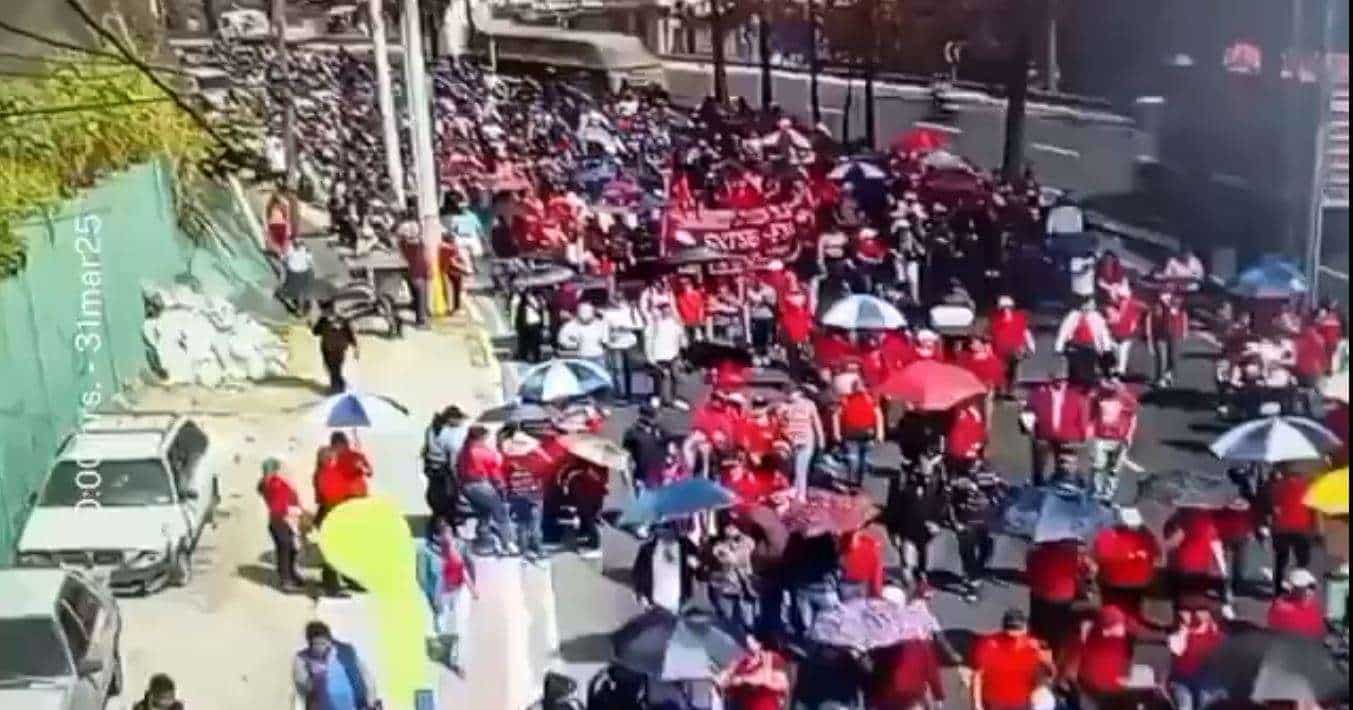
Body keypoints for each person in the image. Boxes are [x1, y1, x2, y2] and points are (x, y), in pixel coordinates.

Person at [415, 515, 478, 674]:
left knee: (460, 624)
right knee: (442, 627)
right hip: (440, 594)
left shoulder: (461, 546)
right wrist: (431, 598)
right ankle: (446, 652)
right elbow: (422, 578)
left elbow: (470, 565)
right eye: (442, 533)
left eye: (448, 531)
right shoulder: (425, 551)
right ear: (435, 536)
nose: (447, 536)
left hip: (459, 591)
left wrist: (471, 587)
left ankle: (457, 660)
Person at [1090, 507, 1160, 631]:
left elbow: (1095, 556)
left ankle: (1119, 625)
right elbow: (1157, 556)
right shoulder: (1143, 536)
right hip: (1136, 581)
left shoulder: (1108, 535)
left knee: (1113, 608)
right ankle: (1126, 624)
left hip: (1115, 581)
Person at [970, 609, 1055, 710]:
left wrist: (1041, 687)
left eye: (1018, 630)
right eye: (1011, 631)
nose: (1015, 637)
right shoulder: (988, 645)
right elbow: (978, 676)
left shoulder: (1036, 646)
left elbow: (1048, 674)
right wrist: (977, 705)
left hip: (1023, 702)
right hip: (995, 702)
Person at [1021, 374, 1091, 486]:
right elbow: (1027, 413)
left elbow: (1083, 416)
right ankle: (1039, 487)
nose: (1060, 383)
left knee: (1065, 470)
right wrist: (1028, 430)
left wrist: (1083, 435)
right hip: (1043, 435)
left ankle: (1063, 487)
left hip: (1068, 438)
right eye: (1057, 379)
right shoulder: (1038, 394)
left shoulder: (1076, 396)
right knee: (1038, 469)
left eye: (1062, 380)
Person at [292, 621, 379, 710]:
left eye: (323, 643)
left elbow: (365, 675)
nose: (320, 647)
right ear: (310, 643)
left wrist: (371, 700)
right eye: (316, 644)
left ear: (329, 641)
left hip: (356, 705)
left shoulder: (346, 651)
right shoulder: (302, 659)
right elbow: (302, 687)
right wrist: (318, 676)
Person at [457, 425, 517, 556]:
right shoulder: (484, 453)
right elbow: (495, 475)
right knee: (500, 512)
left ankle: (483, 538)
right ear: (481, 438)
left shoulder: (463, 451)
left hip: (466, 487)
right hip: (481, 486)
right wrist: (502, 488)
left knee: (485, 511)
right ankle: (508, 542)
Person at [948, 467, 1002, 603]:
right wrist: (955, 522)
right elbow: (951, 502)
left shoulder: (991, 482)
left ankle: (977, 572)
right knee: (967, 552)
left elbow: (999, 500)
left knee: (987, 549)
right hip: (967, 522)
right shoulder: (960, 484)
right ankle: (972, 583)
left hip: (985, 522)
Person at [1025, 538, 1086, 653]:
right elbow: (1081, 573)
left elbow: (1029, 572)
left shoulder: (1038, 554)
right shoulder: (1071, 556)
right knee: (1058, 628)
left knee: (1038, 627)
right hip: (1063, 597)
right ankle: (1055, 651)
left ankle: (1035, 651)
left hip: (1041, 594)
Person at [1087, 376, 1139, 501]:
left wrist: (1128, 437)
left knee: (1114, 470)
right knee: (1098, 467)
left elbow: (1133, 419)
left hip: (1119, 439)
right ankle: (1097, 492)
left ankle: (1108, 496)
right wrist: (1090, 436)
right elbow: (1091, 417)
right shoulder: (1098, 396)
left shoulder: (1126, 400)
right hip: (1101, 437)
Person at [1263, 468, 1317, 589]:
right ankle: (1299, 585)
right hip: (1302, 528)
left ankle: (1278, 589)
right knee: (1303, 560)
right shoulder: (1308, 486)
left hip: (1281, 528)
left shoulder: (1278, 487)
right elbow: (1313, 508)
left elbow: (1271, 506)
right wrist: (1314, 528)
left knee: (1281, 560)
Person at [257, 457, 305, 592]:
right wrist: (292, 510)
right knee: (286, 548)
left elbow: (291, 496)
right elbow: (279, 504)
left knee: (292, 548)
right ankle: (286, 579)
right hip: (280, 520)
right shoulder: (273, 485)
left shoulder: (276, 483)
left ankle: (291, 574)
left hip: (287, 519)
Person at [1166, 608, 1226, 710]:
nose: (1193, 616)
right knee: (1185, 706)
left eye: (1198, 611)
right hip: (1182, 678)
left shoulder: (1216, 633)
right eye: (1188, 612)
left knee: (1207, 703)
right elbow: (1177, 650)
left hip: (1206, 678)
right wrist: (1183, 632)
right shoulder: (1179, 632)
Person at [632, 524, 701, 612]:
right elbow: (638, 574)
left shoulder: (686, 545)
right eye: (662, 531)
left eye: (669, 530)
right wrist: (640, 594)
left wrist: (695, 563)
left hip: (678, 601)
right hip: (655, 602)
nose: (666, 534)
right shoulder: (647, 549)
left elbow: (699, 566)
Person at [706, 521, 758, 634]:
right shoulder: (719, 547)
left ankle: (748, 637)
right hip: (728, 586)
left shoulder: (749, 542)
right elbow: (721, 559)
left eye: (734, 526)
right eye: (728, 526)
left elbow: (747, 559)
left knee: (748, 621)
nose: (730, 529)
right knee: (728, 619)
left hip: (746, 586)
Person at [832, 379, 884, 487]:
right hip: (858, 434)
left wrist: (880, 433)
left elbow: (879, 416)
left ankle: (855, 482)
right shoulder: (849, 399)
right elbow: (836, 415)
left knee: (858, 459)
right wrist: (836, 433)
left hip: (859, 434)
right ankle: (854, 482)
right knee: (857, 459)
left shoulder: (867, 399)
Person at [422, 406, 468, 525]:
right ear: (451, 419)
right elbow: (452, 453)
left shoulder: (432, 428)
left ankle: (437, 526)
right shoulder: (446, 432)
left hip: (431, 468)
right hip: (443, 469)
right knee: (448, 500)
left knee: (436, 500)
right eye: (459, 420)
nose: (461, 423)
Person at [718, 635, 791, 710]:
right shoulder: (744, 662)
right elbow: (730, 686)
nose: (748, 643)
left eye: (753, 640)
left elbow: (765, 679)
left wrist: (743, 679)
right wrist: (727, 677)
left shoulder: (773, 659)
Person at [778, 386, 825, 498]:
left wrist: (821, 440)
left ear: (799, 393)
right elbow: (781, 424)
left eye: (791, 393)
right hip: (794, 442)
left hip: (805, 441)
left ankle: (801, 495)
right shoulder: (786, 406)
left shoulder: (809, 405)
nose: (789, 396)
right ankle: (796, 490)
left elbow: (816, 423)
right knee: (796, 468)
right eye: (788, 393)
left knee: (800, 469)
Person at [1054, 299, 1113, 385]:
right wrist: (1059, 347)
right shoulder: (1073, 315)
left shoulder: (1096, 317)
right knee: (1074, 370)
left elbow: (1103, 333)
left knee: (1089, 370)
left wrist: (1106, 348)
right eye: (1085, 306)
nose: (1086, 308)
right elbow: (1064, 331)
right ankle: (1074, 387)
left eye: (1089, 306)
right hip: (1075, 346)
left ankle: (1087, 386)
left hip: (1090, 347)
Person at [988, 295, 1035, 398]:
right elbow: (991, 335)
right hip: (1003, 350)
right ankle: (1003, 390)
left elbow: (1025, 333)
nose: (1006, 310)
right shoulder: (996, 320)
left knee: (1010, 371)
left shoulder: (1014, 319)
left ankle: (1007, 390)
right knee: (1005, 370)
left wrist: (1030, 347)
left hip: (1011, 350)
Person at [644, 301, 688, 408]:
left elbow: (681, 337)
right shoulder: (653, 325)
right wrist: (650, 356)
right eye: (664, 310)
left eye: (668, 309)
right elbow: (648, 341)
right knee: (659, 378)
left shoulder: (675, 323)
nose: (667, 312)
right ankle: (656, 397)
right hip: (659, 356)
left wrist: (684, 343)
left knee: (674, 377)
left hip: (673, 355)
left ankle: (673, 398)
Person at [312, 301, 359, 394]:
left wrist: (356, 348)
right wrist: (313, 325)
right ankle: (341, 386)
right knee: (332, 369)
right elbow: (316, 332)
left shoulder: (342, 319)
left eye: (325, 310)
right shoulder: (324, 320)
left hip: (337, 349)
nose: (324, 312)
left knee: (335, 370)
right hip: (328, 348)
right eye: (323, 310)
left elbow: (351, 334)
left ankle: (336, 390)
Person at [1267, 567, 1325, 638]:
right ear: (1292, 588)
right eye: (1300, 587)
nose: (1307, 591)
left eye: (1311, 587)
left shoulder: (1315, 606)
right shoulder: (1281, 608)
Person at [1147, 291, 1189, 388]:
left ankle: (1169, 375)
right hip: (1161, 335)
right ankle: (1160, 378)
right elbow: (1151, 319)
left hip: (1174, 335)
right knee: (1161, 358)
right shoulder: (1158, 306)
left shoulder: (1178, 307)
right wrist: (1150, 336)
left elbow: (1184, 317)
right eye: (1163, 296)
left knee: (1173, 356)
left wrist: (1185, 331)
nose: (1166, 298)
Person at [397, 214, 430, 328]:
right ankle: (421, 322)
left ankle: (419, 319)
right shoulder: (417, 244)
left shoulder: (402, 244)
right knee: (421, 298)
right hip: (419, 273)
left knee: (416, 298)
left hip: (409, 272)